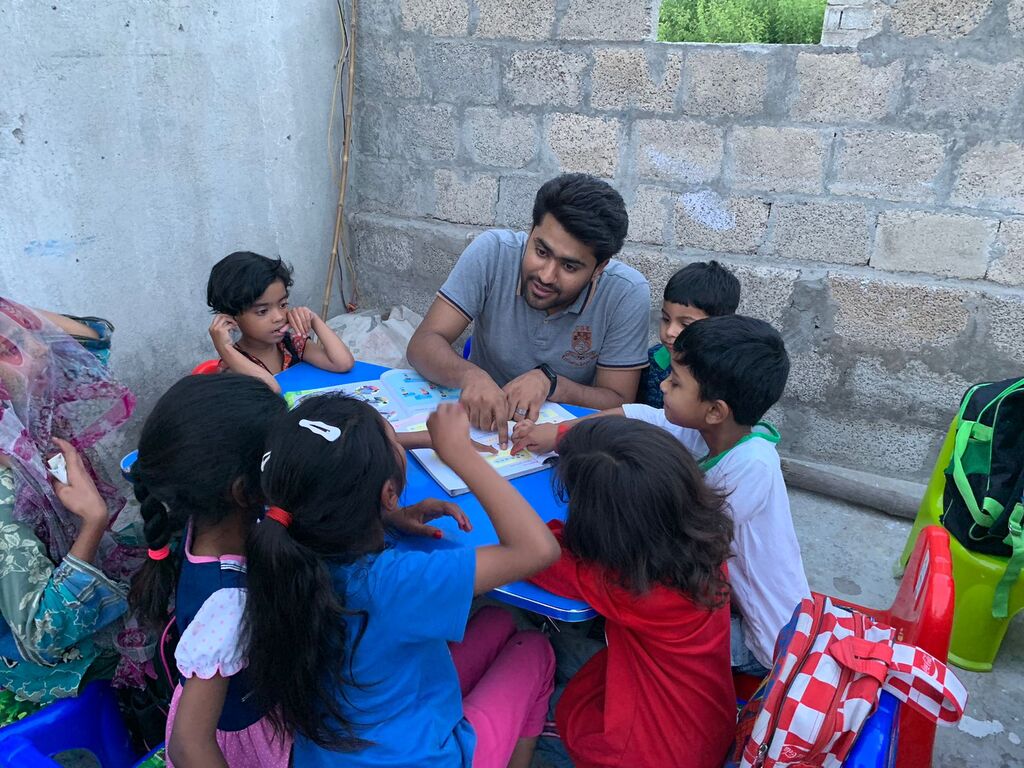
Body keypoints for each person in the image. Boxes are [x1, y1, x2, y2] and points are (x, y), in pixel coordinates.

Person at [242, 397, 561, 768]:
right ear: (388, 493)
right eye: (394, 440)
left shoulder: (275, 544)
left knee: (498, 621)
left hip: (333, 749)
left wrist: (385, 518)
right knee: (536, 648)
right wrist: (459, 453)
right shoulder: (392, 581)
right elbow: (537, 549)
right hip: (420, 758)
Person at [512, 315, 809, 674]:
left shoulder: (753, 466)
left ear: (715, 410)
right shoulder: (708, 431)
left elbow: (676, 548)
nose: (663, 387)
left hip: (762, 638)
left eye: (676, 382)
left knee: (621, 622)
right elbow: (636, 416)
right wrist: (560, 433)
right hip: (718, 597)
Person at [530, 417, 735, 768]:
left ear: (605, 526)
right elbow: (630, 454)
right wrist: (568, 438)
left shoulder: (633, 590)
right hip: (705, 731)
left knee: (537, 661)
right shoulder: (699, 545)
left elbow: (535, 554)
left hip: (641, 754)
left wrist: (467, 461)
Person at [407, 174, 651, 448]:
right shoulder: (493, 253)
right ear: (531, 230)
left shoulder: (626, 293)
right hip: (477, 429)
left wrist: (552, 383)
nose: (546, 276)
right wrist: (471, 376)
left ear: (599, 268)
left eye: (569, 267)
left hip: (557, 441)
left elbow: (619, 400)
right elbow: (423, 344)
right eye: (541, 251)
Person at [127, 375, 291, 767]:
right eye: (281, 457)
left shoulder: (202, 525)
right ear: (243, 491)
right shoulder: (229, 603)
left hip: (234, 699)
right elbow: (188, 746)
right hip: (239, 735)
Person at [0, 297, 139, 714]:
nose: (42, 349)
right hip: (52, 663)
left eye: (31, 335)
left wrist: (13, 316)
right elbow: (41, 636)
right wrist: (92, 522)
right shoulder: (5, 487)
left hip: (89, 576)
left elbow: (94, 337)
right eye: (11, 348)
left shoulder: (25, 421)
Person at [207, 251, 354, 393]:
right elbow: (271, 389)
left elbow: (343, 363)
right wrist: (225, 348)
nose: (279, 317)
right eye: (262, 311)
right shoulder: (232, 364)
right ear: (232, 317)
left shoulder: (291, 344)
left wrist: (313, 319)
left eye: (283, 304)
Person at [638, 260, 740, 408]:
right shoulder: (652, 361)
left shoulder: (727, 374)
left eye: (685, 325)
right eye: (666, 319)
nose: (670, 332)